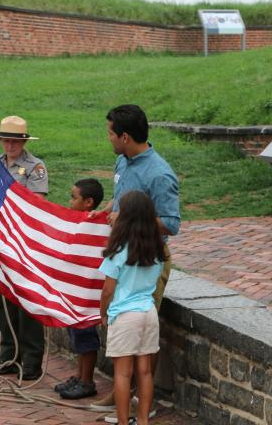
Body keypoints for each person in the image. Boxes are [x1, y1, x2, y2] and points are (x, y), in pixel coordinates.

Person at [90, 104, 180, 420]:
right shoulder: (123, 160)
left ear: (125, 136)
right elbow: (122, 197)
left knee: (142, 348)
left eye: (110, 133)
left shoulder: (159, 174)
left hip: (144, 258)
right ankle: (120, 396)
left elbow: (171, 222)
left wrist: (128, 219)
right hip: (126, 253)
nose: (108, 139)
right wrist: (107, 210)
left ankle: (142, 403)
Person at [0, 115, 48, 381]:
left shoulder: (35, 167)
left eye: (14, 141)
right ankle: (9, 355)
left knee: (27, 304)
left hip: (23, 241)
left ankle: (32, 359)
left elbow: (37, 202)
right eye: (5, 140)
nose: (9, 145)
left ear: (23, 141)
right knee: (0, 301)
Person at [99, 190, 166, 425]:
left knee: (123, 373)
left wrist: (103, 313)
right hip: (148, 313)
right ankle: (143, 420)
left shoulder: (118, 251)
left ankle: (122, 421)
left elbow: (108, 290)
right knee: (145, 371)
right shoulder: (156, 250)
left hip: (125, 315)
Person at [53, 178, 105, 400]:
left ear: (88, 202)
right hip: (74, 293)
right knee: (75, 334)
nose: (69, 201)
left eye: (74, 197)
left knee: (85, 336)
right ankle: (79, 375)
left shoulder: (96, 226)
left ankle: (87, 380)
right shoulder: (75, 221)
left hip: (86, 295)